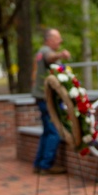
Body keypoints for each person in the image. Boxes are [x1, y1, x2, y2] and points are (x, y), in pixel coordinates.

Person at [30, 28, 71, 174]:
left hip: (42, 97)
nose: (60, 41)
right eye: (57, 38)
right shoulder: (46, 51)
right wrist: (61, 55)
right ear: (49, 40)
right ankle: (46, 165)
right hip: (47, 99)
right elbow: (50, 58)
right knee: (54, 131)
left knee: (47, 131)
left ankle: (39, 164)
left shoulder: (41, 52)